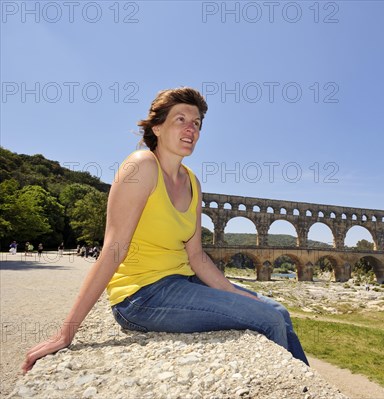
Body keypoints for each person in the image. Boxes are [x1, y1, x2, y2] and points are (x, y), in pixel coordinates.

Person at [22, 87, 309, 373]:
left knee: (279, 312)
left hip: (183, 282)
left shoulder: (193, 182)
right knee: (268, 320)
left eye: (196, 123)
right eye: (180, 119)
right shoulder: (142, 167)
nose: (191, 129)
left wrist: (234, 291)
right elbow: (113, 248)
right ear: (157, 127)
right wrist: (67, 331)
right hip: (141, 297)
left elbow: (196, 257)